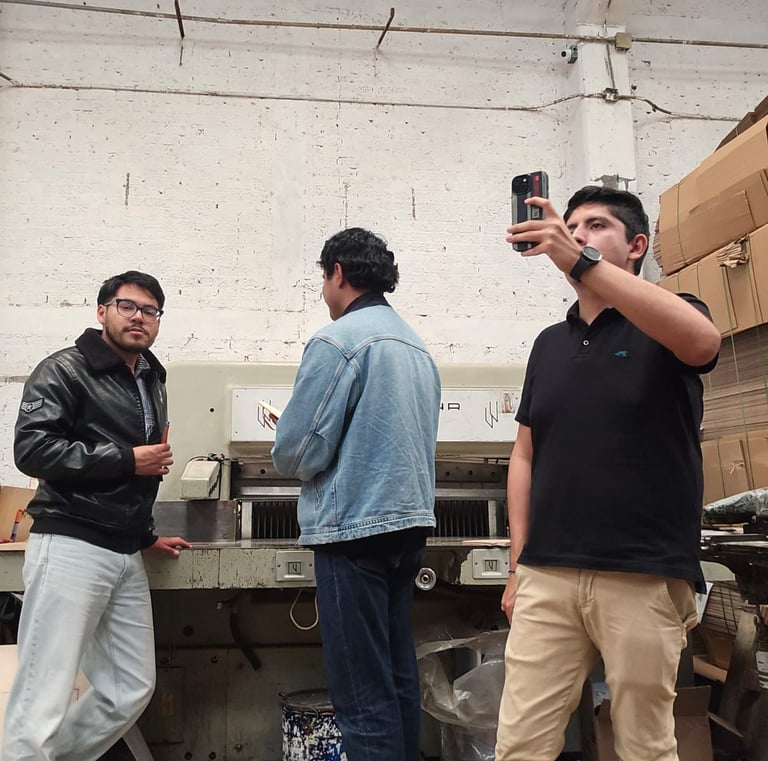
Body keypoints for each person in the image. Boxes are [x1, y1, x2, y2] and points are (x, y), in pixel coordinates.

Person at [495, 186, 721, 761]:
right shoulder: (549, 344)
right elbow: (524, 456)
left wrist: (579, 261)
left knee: (645, 744)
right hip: (548, 572)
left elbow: (703, 343)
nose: (577, 235)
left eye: (596, 226)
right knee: (519, 745)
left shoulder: (672, 316)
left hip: (642, 572)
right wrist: (519, 565)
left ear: (636, 246)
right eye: (572, 226)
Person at [2, 271, 190, 761]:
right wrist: (127, 459)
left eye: (150, 311)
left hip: (123, 550)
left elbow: (143, 471)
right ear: (102, 310)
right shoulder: (65, 369)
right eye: (128, 306)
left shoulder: (151, 377)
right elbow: (32, 450)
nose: (139, 317)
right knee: (42, 695)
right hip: (71, 542)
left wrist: (144, 535)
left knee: (129, 687)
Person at [271, 228, 441, 761]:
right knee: (396, 679)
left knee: (362, 697)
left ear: (337, 273)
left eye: (324, 278)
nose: (324, 290)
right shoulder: (415, 345)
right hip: (408, 529)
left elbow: (297, 454)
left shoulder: (337, 341)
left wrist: (286, 438)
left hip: (354, 532)